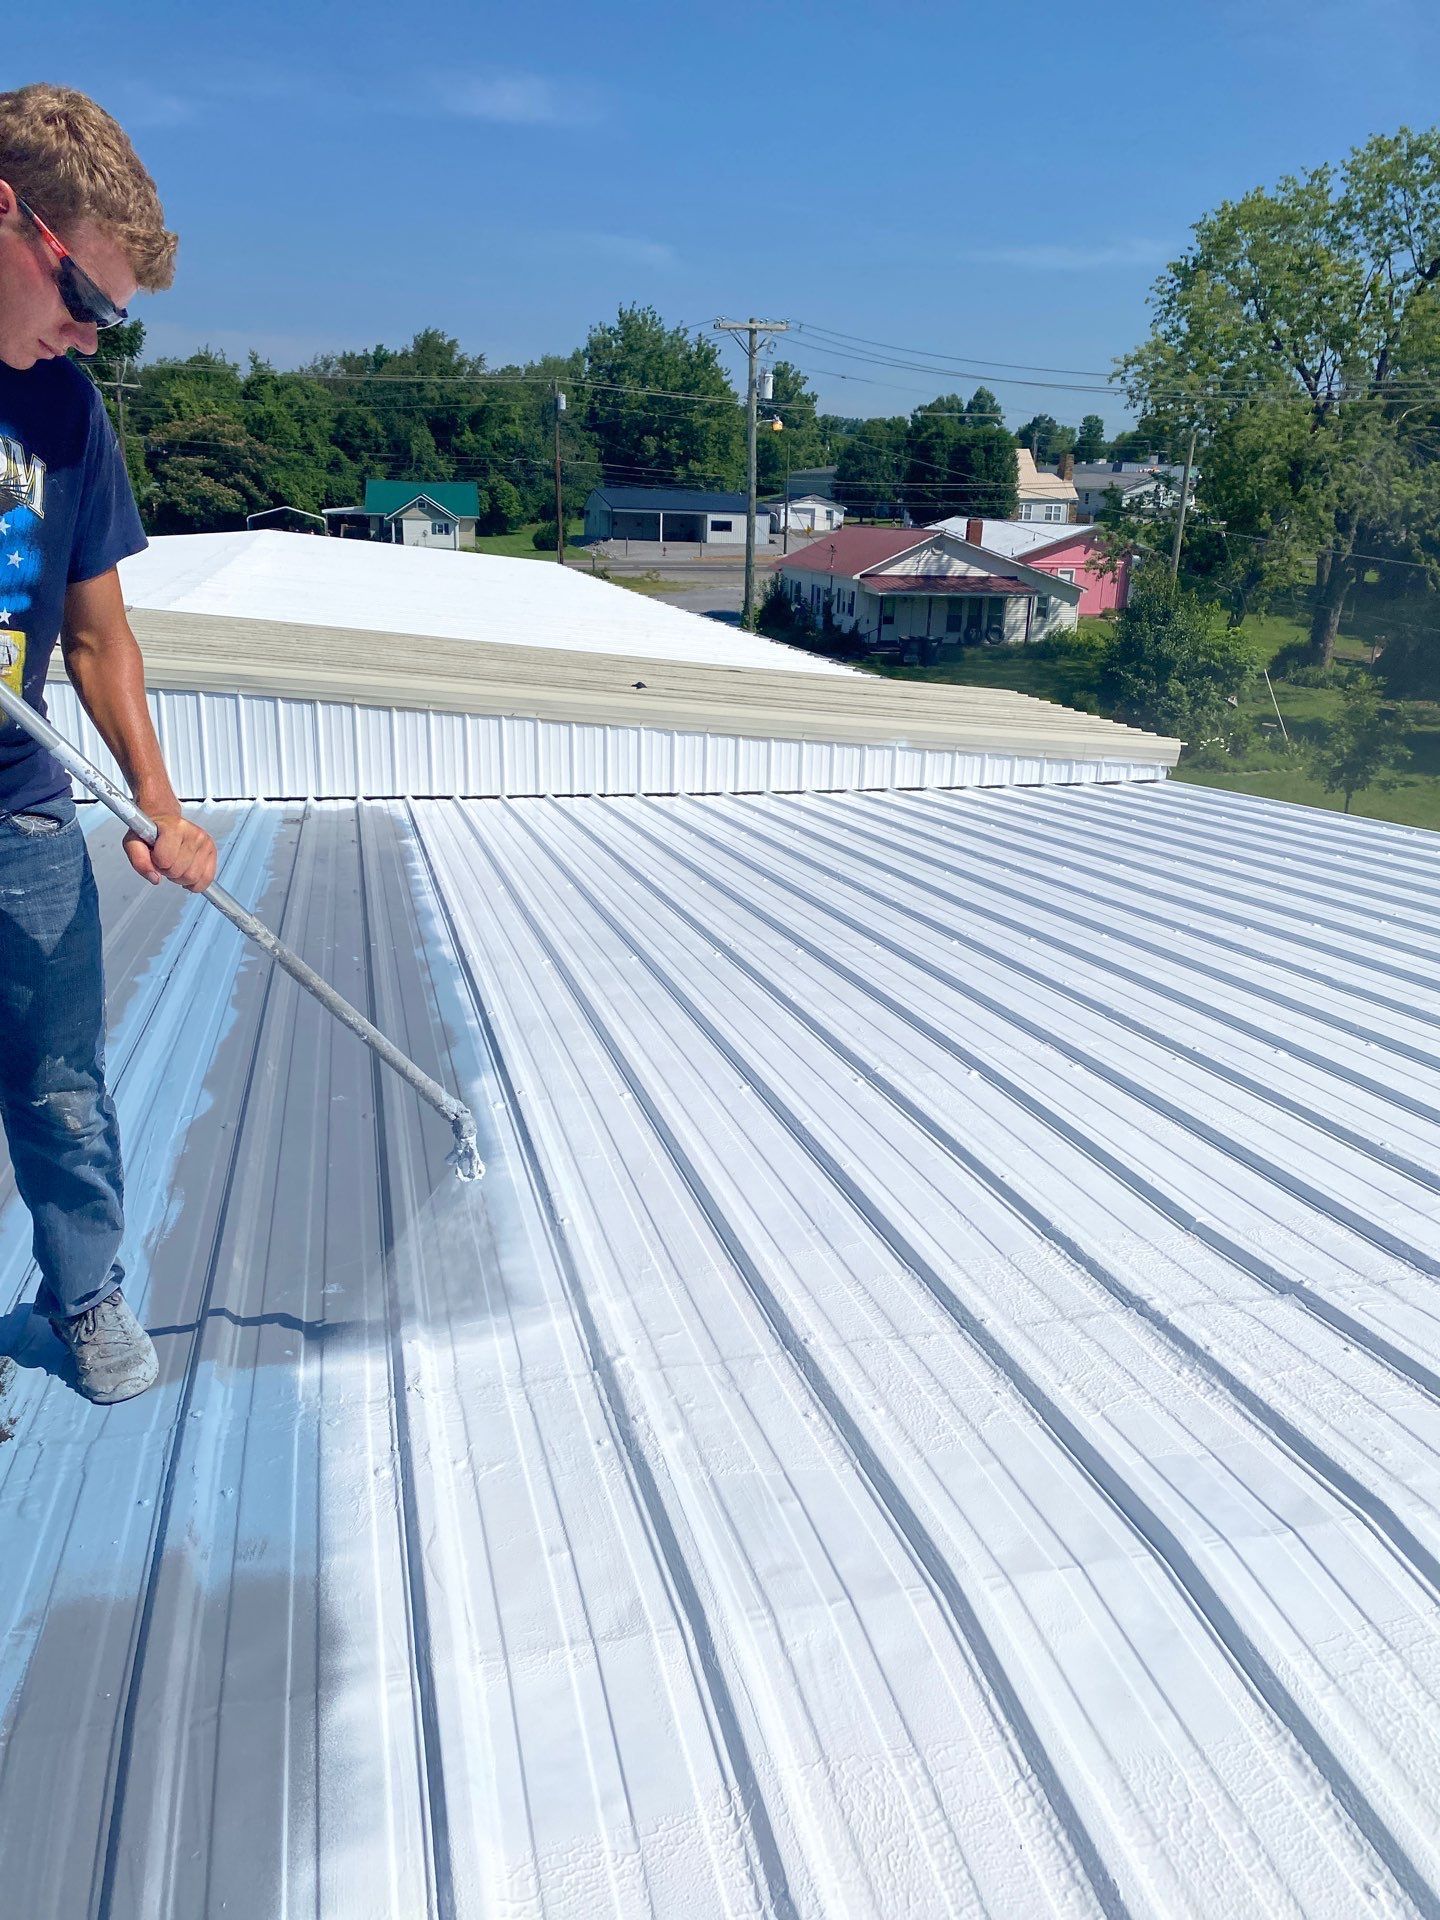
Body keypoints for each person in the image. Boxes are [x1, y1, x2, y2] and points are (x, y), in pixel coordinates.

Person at [0, 84, 217, 1404]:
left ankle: (81, 1293)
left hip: (19, 813)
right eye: (83, 292)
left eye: (110, 319)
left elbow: (98, 640)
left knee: (61, 1083)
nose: (89, 331)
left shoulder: (68, 417)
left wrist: (156, 796)